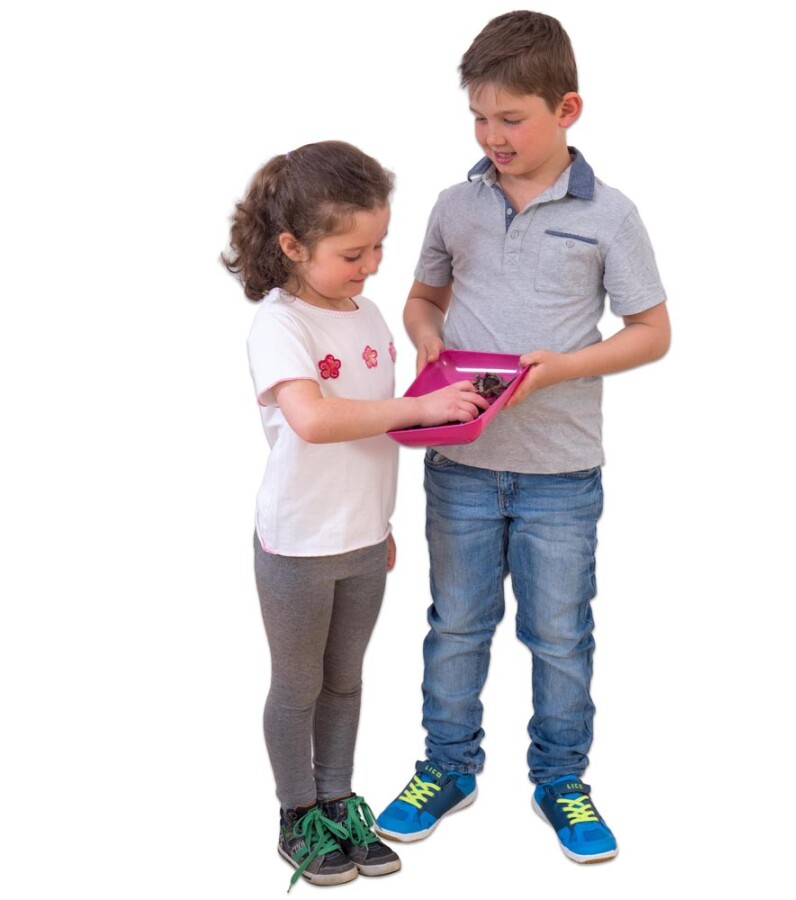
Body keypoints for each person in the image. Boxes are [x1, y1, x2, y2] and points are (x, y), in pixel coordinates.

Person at [374, 12, 671, 864]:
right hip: (460, 462)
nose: (492, 136)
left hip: (560, 473)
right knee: (456, 626)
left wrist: (565, 367)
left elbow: (652, 332)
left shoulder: (610, 215)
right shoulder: (453, 205)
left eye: (511, 118)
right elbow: (423, 299)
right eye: (479, 117)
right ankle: (447, 767)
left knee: (561, 635)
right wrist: (426, 339)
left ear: (567, 109)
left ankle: (561, 779)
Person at [221, 141, 487, 888]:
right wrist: (417, 408)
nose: (371, 266)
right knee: (298, 685)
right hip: (299, 544)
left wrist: (382, 520)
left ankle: (337, 802)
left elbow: (372, 432)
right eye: (352, 253)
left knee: (345, 680)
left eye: (379, 247)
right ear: (292, 246)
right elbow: (312, 419)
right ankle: (297, 815)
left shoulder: (369, 316)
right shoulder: (282, 325)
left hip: (365, 538)